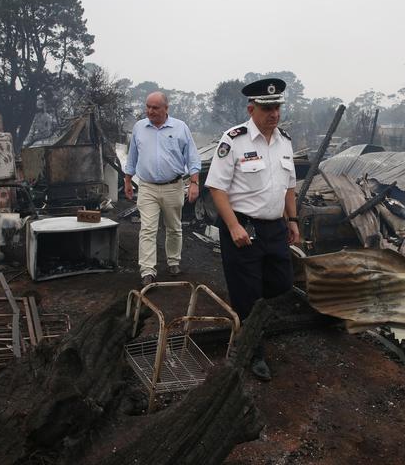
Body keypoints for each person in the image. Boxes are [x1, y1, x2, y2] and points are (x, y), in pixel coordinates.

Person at [205, 78, 300, 381]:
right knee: (248, 296)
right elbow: (217, 189)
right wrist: (232, 226)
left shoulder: (285, 141)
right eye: (267, 108)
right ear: (252, 108)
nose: (274, 113)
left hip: (274, 229)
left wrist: (293, 220)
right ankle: (252, 352)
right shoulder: (234, 140)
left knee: (282, 284)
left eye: (277, 107)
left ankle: (252, 324)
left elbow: (289, 187)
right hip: (243, 227)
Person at [124, 91, 201, 286]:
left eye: (155, 107)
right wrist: (127, 179)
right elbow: (132, 156)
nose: (150, 111)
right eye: (148, 107)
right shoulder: (139, 128)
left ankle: (173, 261)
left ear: (166, 108)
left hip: (173, 186)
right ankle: (147, 270)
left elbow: (192, 157)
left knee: (174, 227)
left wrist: (194, 182)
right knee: (147, 229)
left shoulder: (180, 128)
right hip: (147, 187)